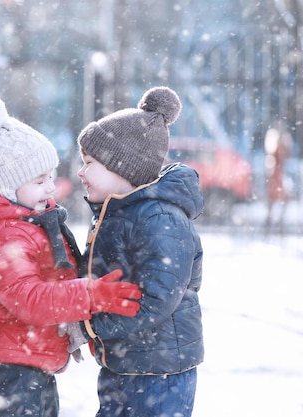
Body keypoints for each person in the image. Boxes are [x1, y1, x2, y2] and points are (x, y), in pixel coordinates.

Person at [0, 94, 142, 417]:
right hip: (11, 374)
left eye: (50, 178)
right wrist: (89, 295)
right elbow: (31, 299)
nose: (51, 189)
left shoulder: (29, 224)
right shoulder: (2, 237)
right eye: (40, 181)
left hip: (30, 365)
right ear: (6, 187)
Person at [65, 87, 205, 417]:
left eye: (89, 163)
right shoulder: (118, 212)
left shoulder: (159, 218)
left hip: (159, 372)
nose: (80, 172)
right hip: (125, 362)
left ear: (122, 168)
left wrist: (89, 327)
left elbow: (155, 298)